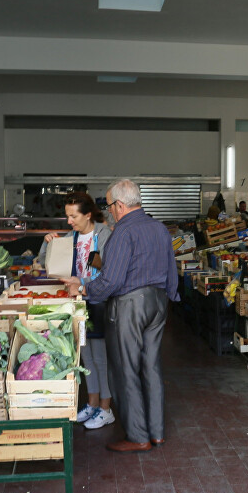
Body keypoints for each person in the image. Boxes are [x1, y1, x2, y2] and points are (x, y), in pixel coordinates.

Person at [62, 179, 178, 453]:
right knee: (151, 367)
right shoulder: (159, 228)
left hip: (130, 306)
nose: (110, 211)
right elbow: (172, 269)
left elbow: (111, 281)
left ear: (120, 205)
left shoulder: (122, 233)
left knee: (126, 371)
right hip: (159, 303)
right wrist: (167, 298)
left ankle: (138, 436)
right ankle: (157, 432)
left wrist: (83, 287)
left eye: (110, 205)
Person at [37, 193, 114, 429]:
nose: (69, 221)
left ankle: (106, 408)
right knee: (85, 355)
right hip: (77, 302)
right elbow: (43, 263)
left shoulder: (104, 235)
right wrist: (48, 241)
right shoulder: (70, 237)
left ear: (88, 214)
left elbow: (110, 269)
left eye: (74, 216)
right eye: (67, 216)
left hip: (99, 301)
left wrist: (84, 276)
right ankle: (91, 402)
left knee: (101, 357)